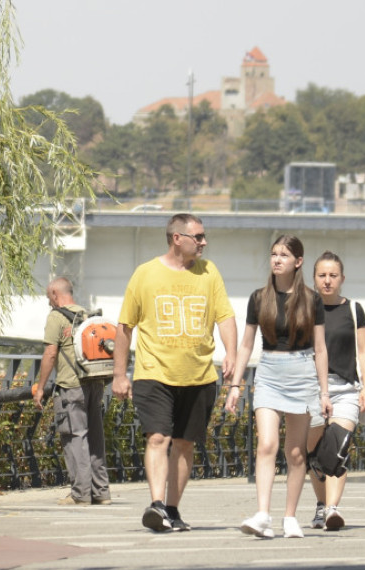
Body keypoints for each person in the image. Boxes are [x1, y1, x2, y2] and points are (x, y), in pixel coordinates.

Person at [113, 213, 237, 532]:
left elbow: (225, 317)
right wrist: (119, 374)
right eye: (198, 237)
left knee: (184, 444)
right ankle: (156, 504)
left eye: (204, 236)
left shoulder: (210, 273)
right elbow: (125, 326)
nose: (204, 242)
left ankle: (171, 508)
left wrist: (232, 355)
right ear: (176, 238)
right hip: (154, 373)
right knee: (158, 436)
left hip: (199, 376)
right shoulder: (145, 274)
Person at [226, 235, 332, 539]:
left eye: (284, 255)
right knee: (267, 444)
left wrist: (324, 392)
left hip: (302, 372)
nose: (277, 260)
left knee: (297, 452)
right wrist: (236, 384)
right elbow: (246, 345)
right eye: (274, 254)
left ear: (298, 262)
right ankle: (262, 515)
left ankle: (289, 517)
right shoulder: (259, 298)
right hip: (269, 371)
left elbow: (321, 349)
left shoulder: (312, 300)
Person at [305, 252, 365, 531]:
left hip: (346, 389)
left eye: (333, 275)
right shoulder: (305, 309)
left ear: (342, 279)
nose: (328, 280)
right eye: (322, 275)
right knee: (313, 453)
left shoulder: (354, 309)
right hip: (310, 388)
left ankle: (333, 509)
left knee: (338, 448)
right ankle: (321, 505)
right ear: (314, 278)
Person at [32, 276, 111, 506]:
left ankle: (80, 493)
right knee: (95, 436)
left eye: (49, 298)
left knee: (74, 436)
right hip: (94, 382)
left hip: (70, 385)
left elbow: (50, 354)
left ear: (56, 294)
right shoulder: (87, 316)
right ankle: (101, 491)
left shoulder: (56, 317)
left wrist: (39, 388)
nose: (49, 303)